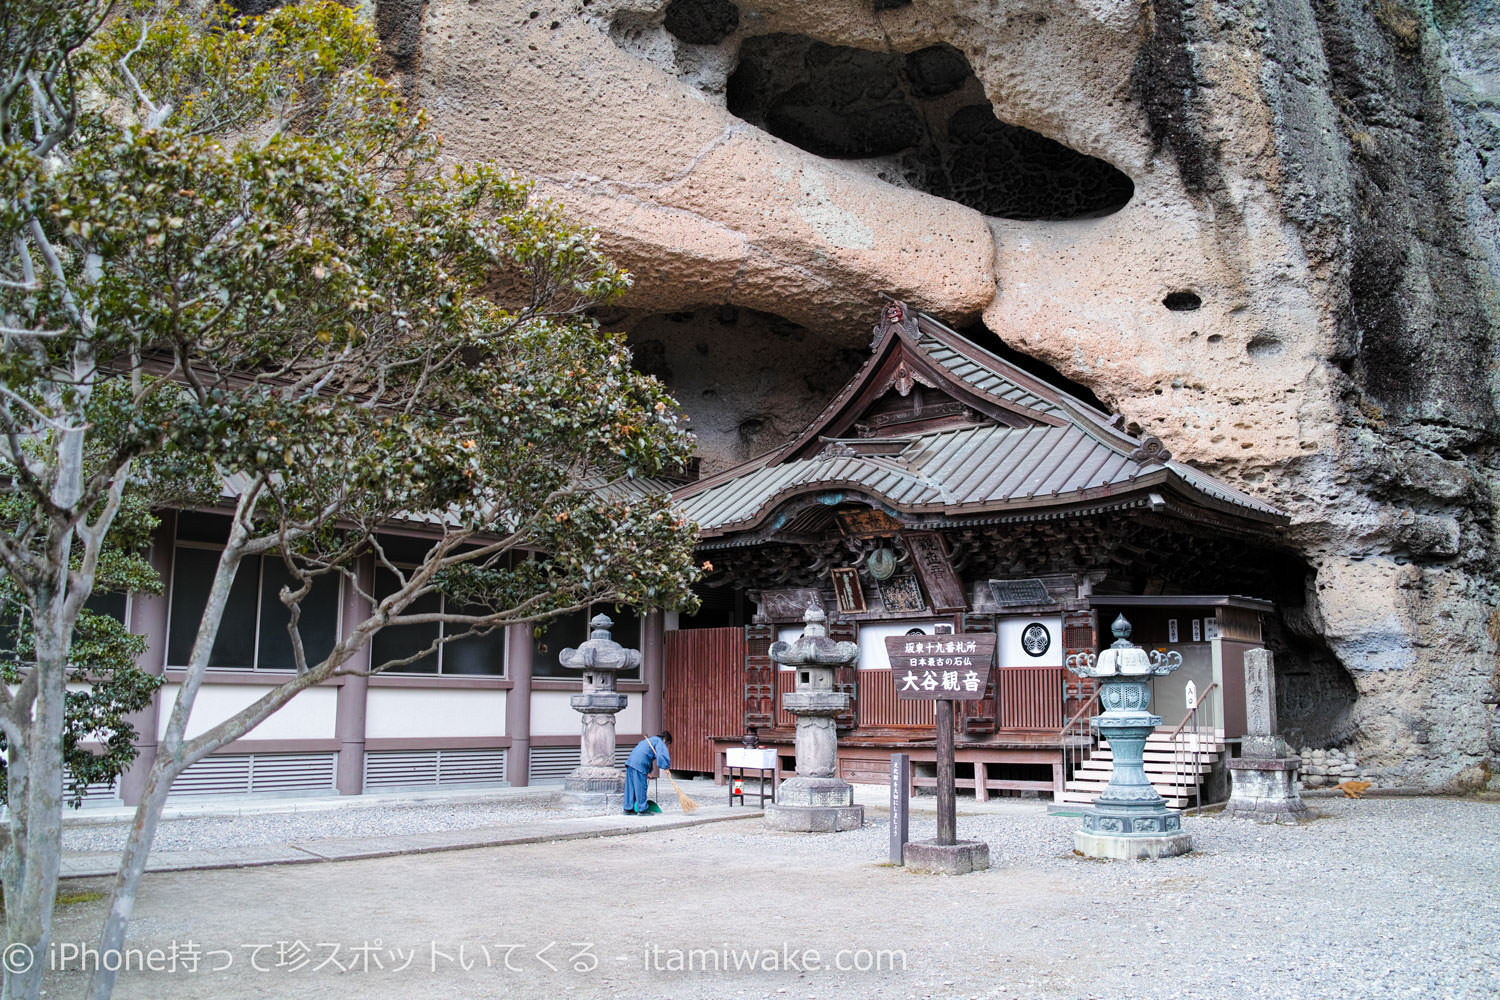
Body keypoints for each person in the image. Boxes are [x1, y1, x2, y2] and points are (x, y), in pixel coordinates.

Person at [624, 731, 671, 815]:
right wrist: (666, 766)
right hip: (639, 764)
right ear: (665, 740)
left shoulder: (649, 740)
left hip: (630, 762)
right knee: (641, 786)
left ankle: (628, 809)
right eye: (667, 744)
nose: (666, 746)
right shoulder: (659, 742)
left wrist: (649, 772)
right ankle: (642, 809)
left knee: (630, 787)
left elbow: (647, 756)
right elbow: (661, 755)